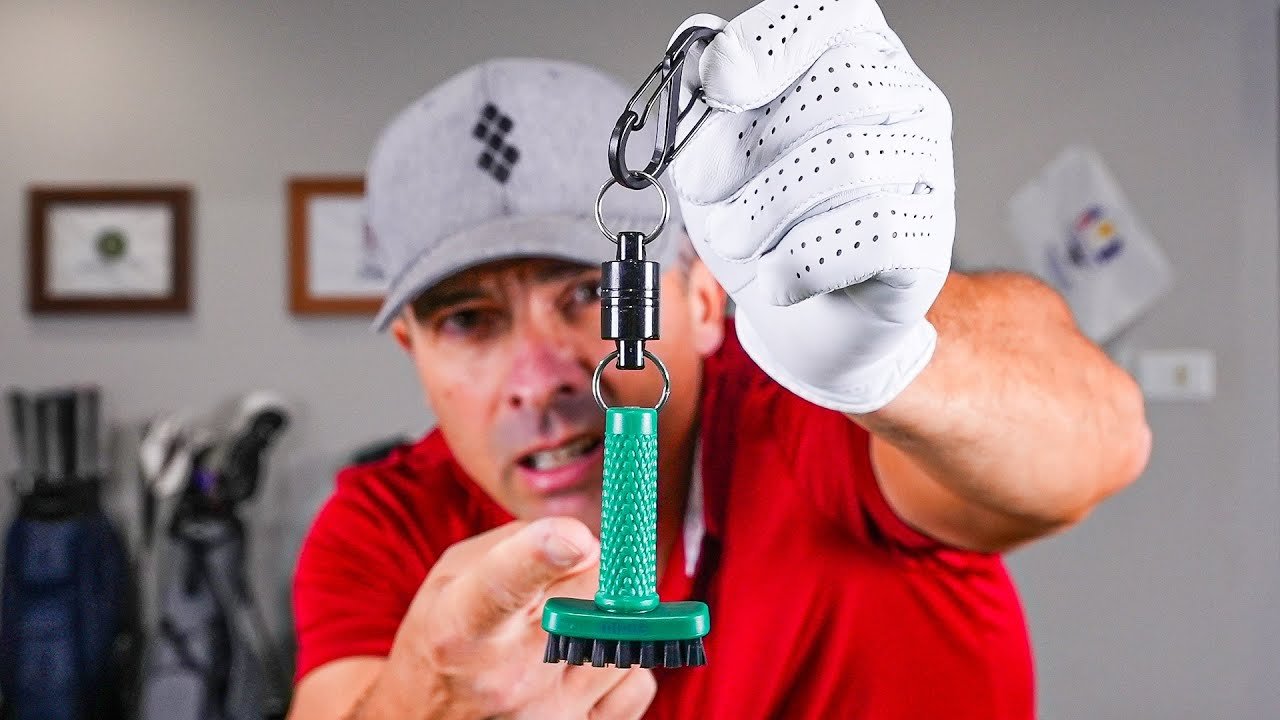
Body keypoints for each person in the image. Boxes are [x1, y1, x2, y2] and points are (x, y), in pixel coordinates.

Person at [286, 2, 1151, 718]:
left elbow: (1097, 444)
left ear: (703, 298)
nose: (541, 380)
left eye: (586, 292)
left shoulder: (815, 417)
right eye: (469, 321)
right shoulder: (381, 524)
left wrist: (906, 353)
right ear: (413, 351)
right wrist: (419, 704)